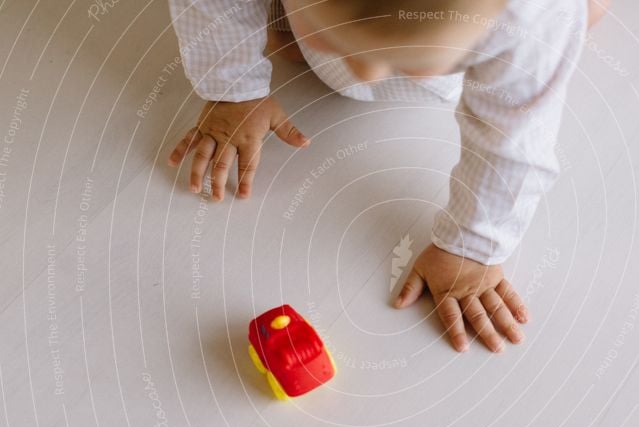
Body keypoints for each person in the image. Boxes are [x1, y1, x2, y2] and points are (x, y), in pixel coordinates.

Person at [166, 0, 609, 353]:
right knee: (284, 39)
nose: (367, 75)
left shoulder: (534, 16)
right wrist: (232, 88)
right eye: (329, 38)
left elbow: (513, 143)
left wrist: (473, 248)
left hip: (519, 24)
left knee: (583, 17)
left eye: (413, 63)